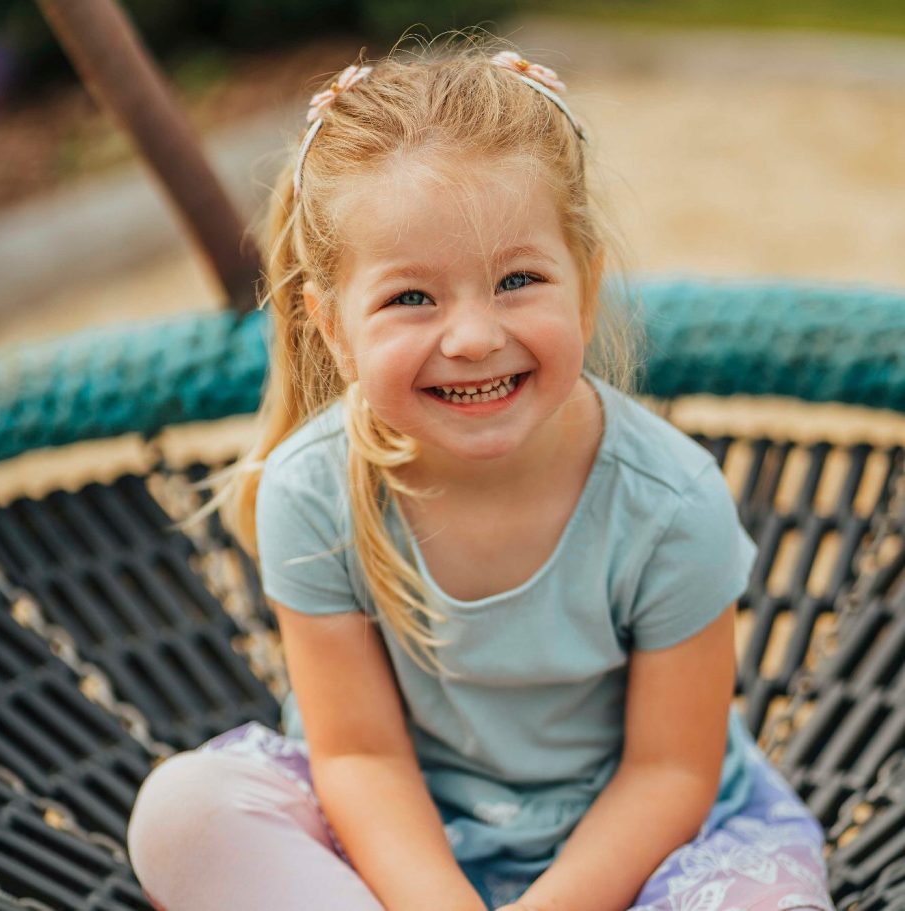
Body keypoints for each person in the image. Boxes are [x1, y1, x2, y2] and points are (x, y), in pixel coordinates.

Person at [125, 36, 835, 911]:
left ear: (584, 288)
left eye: (517, 280)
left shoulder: (670, 502)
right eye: (410, 297)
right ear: (332, 326)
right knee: (184, 813)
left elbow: (667, 774)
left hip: (643, 850)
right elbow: (359, 757)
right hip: (399, 841)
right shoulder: (313, 491)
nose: (471, 337)